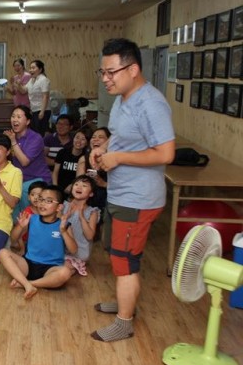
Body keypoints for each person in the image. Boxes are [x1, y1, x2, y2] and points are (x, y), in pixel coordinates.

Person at [90, 38, 175, 342]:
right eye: (102, 72)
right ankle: (124, 300)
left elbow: (165, 153)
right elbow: (120, 136)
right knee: (116, 253)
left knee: (125, 261)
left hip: (138, 199)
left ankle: (124, 322)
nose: (105, 79)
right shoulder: (122, 99)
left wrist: (119, 158)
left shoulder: (151, 104)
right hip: (120, 192)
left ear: (133, 69)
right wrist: (103, 149)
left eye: (111, 72)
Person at [0, 185, 77, 299]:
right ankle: (27, 284)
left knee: (65, 272)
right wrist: (20, 226)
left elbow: (74, 250)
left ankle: (28, 284)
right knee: (2, 253)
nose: (42, 204)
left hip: (51, 268)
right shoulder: (31, 219)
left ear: (59, 207)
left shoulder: (64, 225)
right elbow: (13, 239)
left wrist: (63, 231)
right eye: (41, 199)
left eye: (48, 201)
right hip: (28, 264)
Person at [62, 175, 99, 277]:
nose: (79, 187)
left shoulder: (92, 212)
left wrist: (82, 217)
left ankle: (74, 266)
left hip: (79, 252)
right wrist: (63, 216)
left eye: (84, 186)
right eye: (76, 184)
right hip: (61, 249)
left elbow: (90, 236)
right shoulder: (64, 205)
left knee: (62, 268)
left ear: (91, 193)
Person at [77, 127, 110, 211]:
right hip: (88, 204)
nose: (95, 139)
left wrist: (104, 184)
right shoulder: (84, 159)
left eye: (100, 137)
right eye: (93, 137)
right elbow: (78, 185)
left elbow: (122, 187)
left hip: (109, 203)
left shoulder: (114, 160)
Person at [53, 128, 87, 194]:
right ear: (73, 139)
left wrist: (72, 185)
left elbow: (83, 177)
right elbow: (55, 172)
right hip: (59, 188)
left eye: (83, 139)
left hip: (76, 189)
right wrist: (55, 188)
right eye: (77, 137)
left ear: (86, 143)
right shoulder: (62, 152)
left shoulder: (85, 158)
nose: (79, 141)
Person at [26, 60, 51, 135]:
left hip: (42, 110)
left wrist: (42, 112)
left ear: (40, 69)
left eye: (33, 68)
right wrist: (18, 85)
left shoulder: (43, 79)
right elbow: (23, 90)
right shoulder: (31, 80)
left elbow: (45, 96)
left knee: (40, 132)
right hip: (34, 110)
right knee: (34, 131)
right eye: (30, 68)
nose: (31, 70)